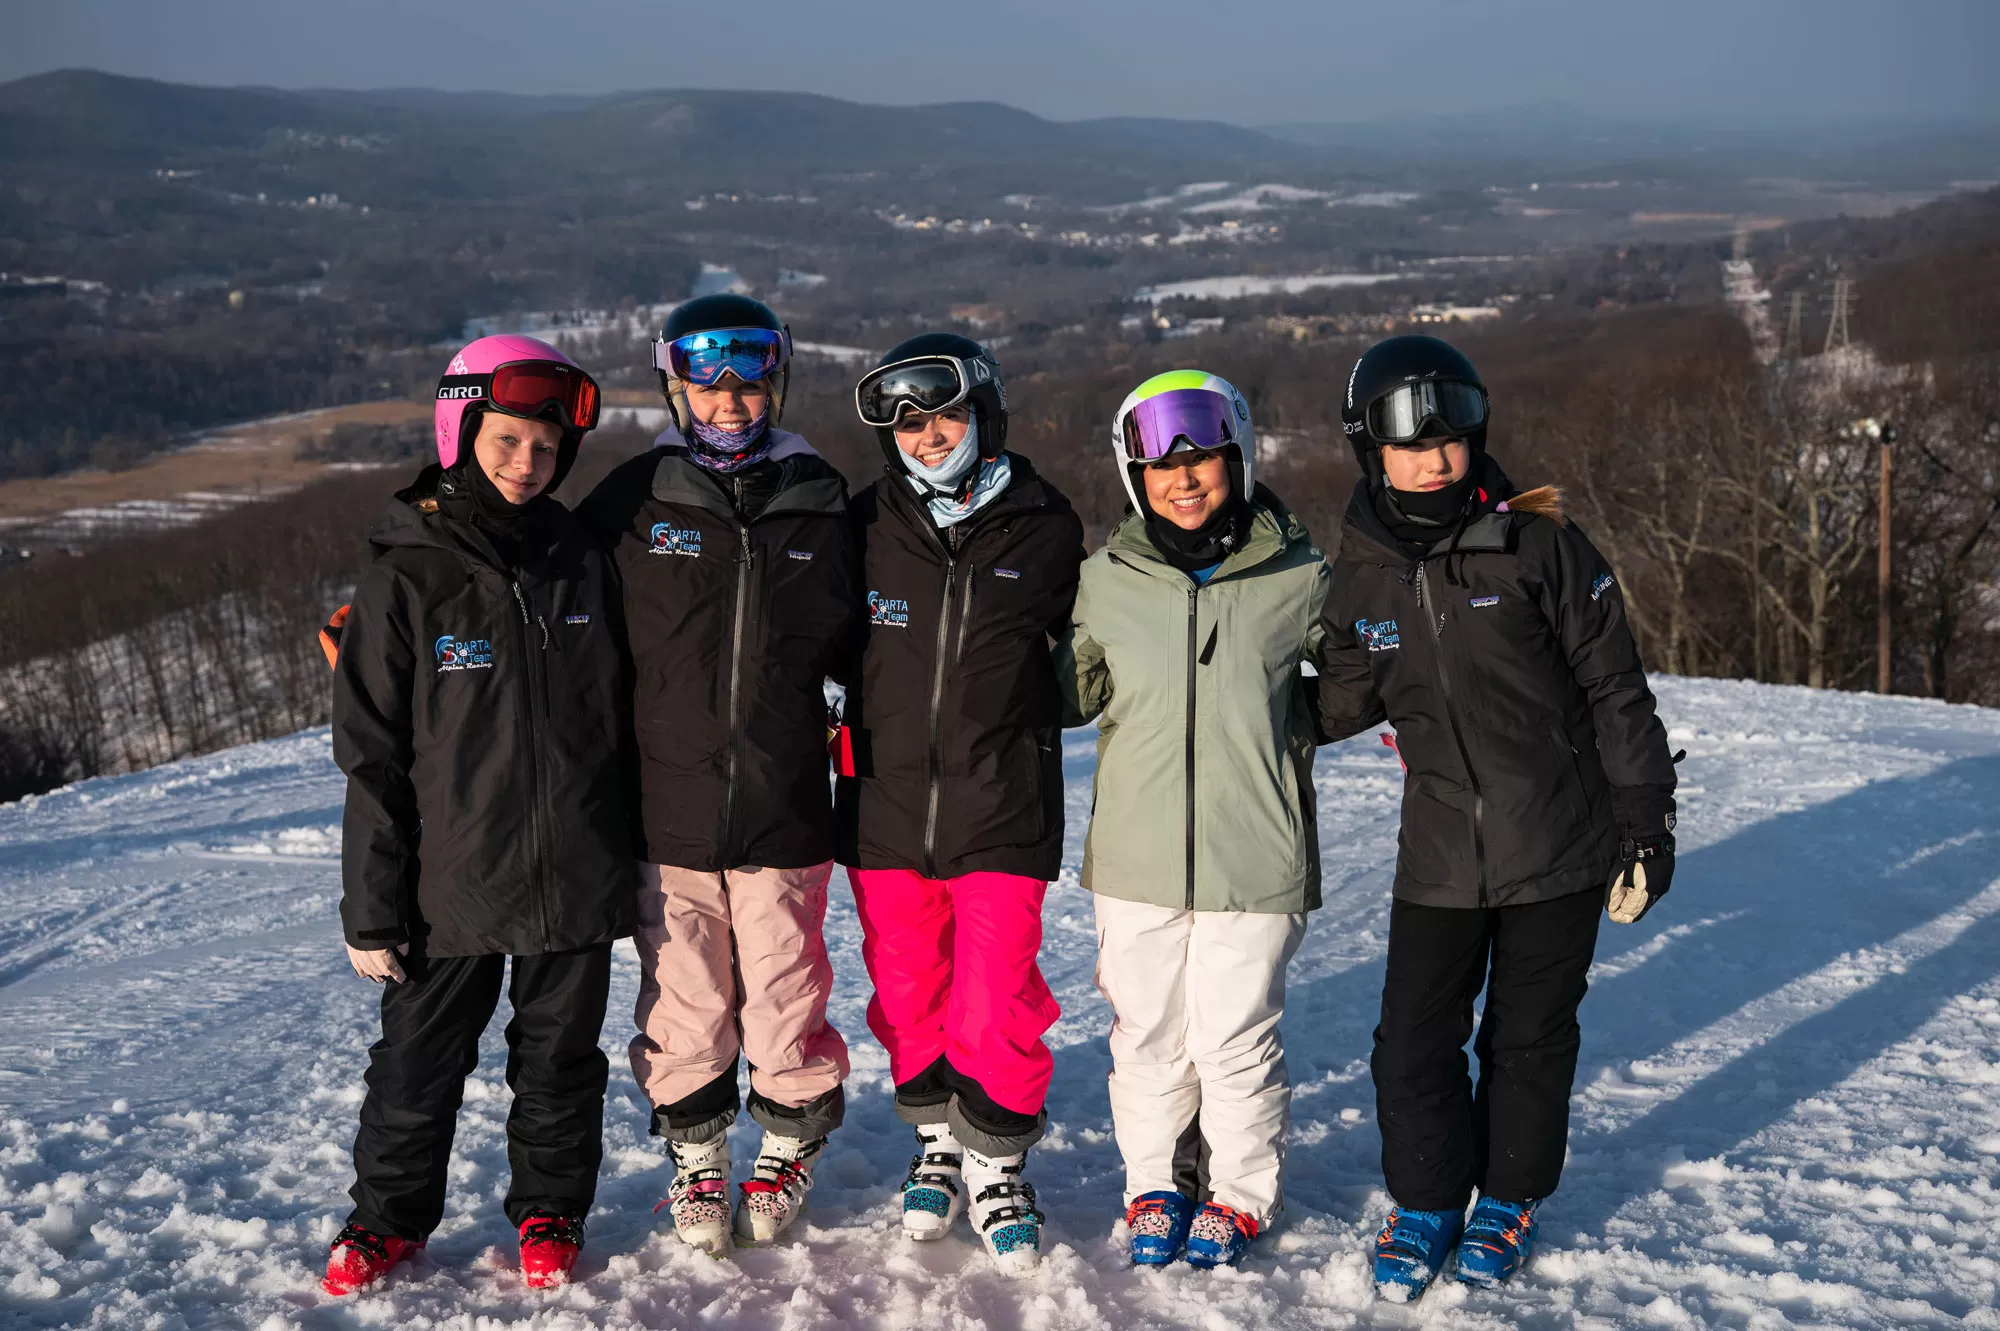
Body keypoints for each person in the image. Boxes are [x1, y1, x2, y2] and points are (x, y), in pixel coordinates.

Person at [1313, 334, 1678, 1300]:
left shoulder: (1539, 545)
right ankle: (1428, 1200)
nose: (1435, 458)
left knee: (1526, 1038)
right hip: (1440, 852)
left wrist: (1646, 822)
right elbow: (1338, 705)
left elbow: (1616, 690)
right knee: (1411, 1042)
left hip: (1558, 841)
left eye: (1451, 436)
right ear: (1370, 449)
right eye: (1409, 441)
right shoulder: (1361, 576)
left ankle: (1508, 1197)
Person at [323, 334, 633, 1295]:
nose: (525, 463)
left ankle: (550, 1210)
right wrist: (371, 907)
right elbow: (370, 756)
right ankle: (386, 1221)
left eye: (545, 447)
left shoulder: (583, 558)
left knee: (560, 1063)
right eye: (505, 440)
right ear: (459, 431)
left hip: (573, 872)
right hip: (447, 882)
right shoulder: (408, 572)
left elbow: (630, 711)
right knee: (415, 1066)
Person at [576, 294, 857, 1253]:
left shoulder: (819, 496)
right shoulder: (633, 501)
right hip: (669, 806)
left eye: (750, 379)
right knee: (686, 993)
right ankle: (697, 1156)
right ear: (676, 385)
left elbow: (869, 638)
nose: (731, 399)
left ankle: (786, 1144)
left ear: (778, 379)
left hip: (784, 800)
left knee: (785, 988)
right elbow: (563, 614)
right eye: (709, 381)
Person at [1054, 370, 1332, 1271]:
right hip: (1136, 856)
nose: (1184, 478)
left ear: (1237, 458)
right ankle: (1154, 1185)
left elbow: (1368, 675)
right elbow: (1068, 692)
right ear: (1135, 475)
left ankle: (1239, 1193)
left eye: (1204, 458)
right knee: (1147, 1035)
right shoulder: (1107, 579)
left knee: (1233, 1038)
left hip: (1255, 851)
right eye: (1161, 465)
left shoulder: (1299, 574)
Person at [836, 334, 1085, 1275]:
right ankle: (938, 1141)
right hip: (884, 806)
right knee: (908, 994)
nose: (929, 436)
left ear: (984, 412)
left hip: (1001, 803)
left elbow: (1096, 652)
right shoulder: (862, 525)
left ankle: (999, 1161)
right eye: (908, 424)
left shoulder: (1045, 525)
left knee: (997, 997)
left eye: (943, 414)